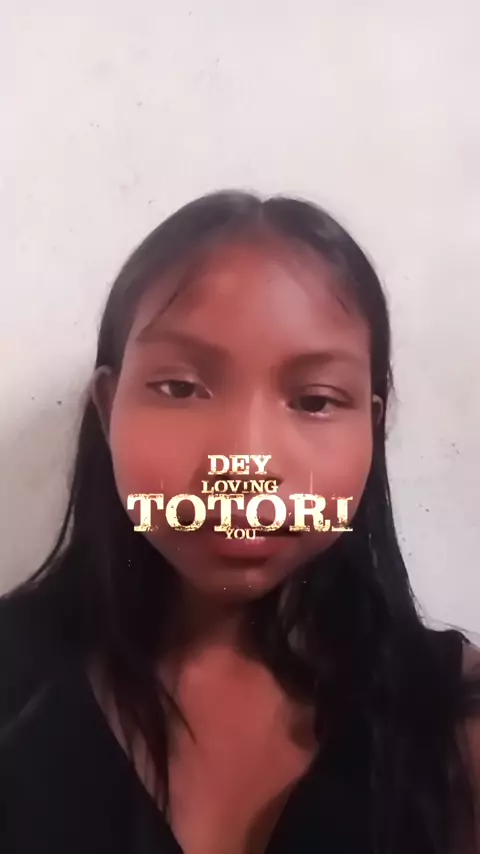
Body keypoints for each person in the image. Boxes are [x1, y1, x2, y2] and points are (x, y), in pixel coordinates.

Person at [0, 191, 479, 854]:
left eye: (315, 400)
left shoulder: (454, 714)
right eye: (180, 388)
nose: (246, 462)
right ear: (109, 410)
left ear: (371, 426)